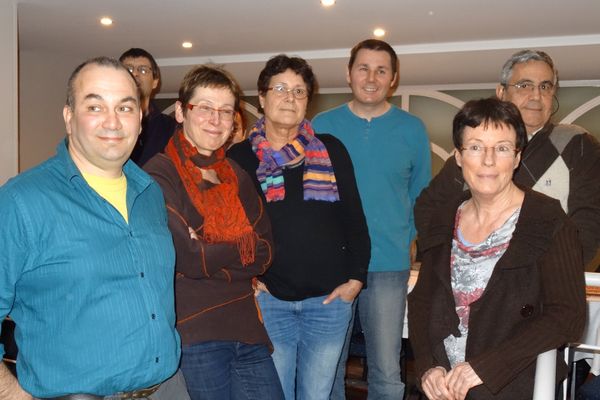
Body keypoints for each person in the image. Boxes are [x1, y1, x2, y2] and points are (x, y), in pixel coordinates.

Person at [0, 57, 188, 399]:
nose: (113, 122)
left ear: (141, 120)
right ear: (69, 118)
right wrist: (11, 394)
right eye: (95, 106)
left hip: (169, 388)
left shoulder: (150, 194)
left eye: (125, 107)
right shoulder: (21, 201)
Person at [408, 97, 586, 400]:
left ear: (517, 157)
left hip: (511, 385)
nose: (488, 160)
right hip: (444, 388)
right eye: (476, 147)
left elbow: (567, 316)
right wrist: (428, 367)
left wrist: (485, 368)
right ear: (459, 157)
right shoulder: (443, 216)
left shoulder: (548, 219)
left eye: (502, 148)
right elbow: (422, 302)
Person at [228, 54, 370, 400]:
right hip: (270, 301)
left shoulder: (331, 150)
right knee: (274, 393)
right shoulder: (240, 157)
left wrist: (356, 280)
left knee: (317, 395)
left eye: (299, 91)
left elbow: (354, 218)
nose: (290, 97)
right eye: (280, 88)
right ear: (262, 97)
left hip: (329, 302)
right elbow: (230, 229)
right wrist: (245, 280)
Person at [144, 65, 284, 400]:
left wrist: (209, 246)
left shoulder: (236, 174)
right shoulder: (158, 174)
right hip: (195, 333)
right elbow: (188, 258)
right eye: (204, 108)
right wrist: (240, 245)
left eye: (225, 111)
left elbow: (265, 252)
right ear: (181, 111)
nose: (215, 120)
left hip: (248, 329)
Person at [312, 39, 432, 399]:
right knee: (327, 366)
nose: (371, 77)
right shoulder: (322, 125)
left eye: (381, 70)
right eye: (363, 67)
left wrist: (409, 238)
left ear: (393, 79)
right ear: (349, 74)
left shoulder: (412, 129)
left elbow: (422, 196)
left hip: (387, 263)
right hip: (332, 264)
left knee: (386, 368)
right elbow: (310, 194)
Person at [415, 49, 600, 268]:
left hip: (544, 284)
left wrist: (558, 272)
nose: (536, 96)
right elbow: (427, 208)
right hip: (476, 285)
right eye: (524, 85)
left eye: (545, 86)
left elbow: (589, 221)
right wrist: (447, 260)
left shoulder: (577, 143)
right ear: (501, 93)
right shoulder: (475, 151)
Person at [120, 48, 177, 166]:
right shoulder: (104, 120)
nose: (134, 74)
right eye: (128, 69)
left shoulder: (170, 128)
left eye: (143, 70)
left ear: (155, 82)